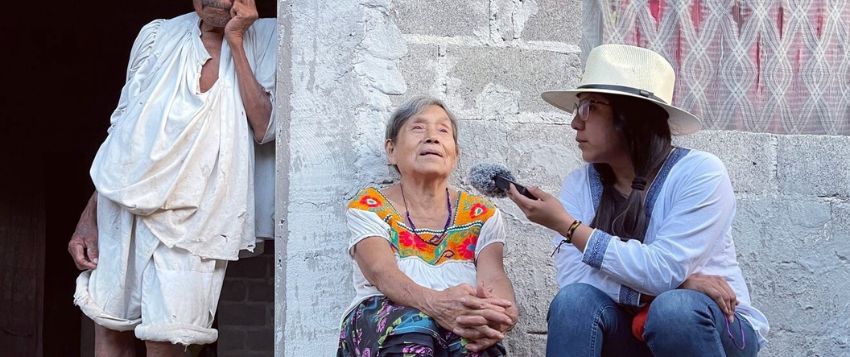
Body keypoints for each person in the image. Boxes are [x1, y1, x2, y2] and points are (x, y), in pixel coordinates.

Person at [505, 44, 769, 356]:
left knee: (675, 310)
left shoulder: (701, 174)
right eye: (578, 109)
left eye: (590, 107)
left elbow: (662, 271)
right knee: (574, 301)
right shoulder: (579, 184)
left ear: (631, 117)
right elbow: (575, 278)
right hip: (629, 328)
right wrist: (676, 286)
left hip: (712, 327)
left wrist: (569, 226)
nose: (576, 122)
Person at [67, 1, 277, 355]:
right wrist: (89, 217)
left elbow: (264, 126)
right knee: (111, 328)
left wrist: (237, 41)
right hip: (123, 207)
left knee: (168, 339)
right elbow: (121, 131)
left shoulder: (267, 37)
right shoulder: (156, 35)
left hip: (200, 215)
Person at [338, 96, 518, 356]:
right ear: (391, 150)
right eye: (418, 128)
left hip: (459, 318)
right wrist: (437, 305)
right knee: (414, 327)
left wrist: (502, 311)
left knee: (476, 343)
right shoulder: (369, 206)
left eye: (443, 130)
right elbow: (381, 272)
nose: (432, 137)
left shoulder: (482, 214)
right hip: (387, 321)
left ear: (456, 154)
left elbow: (493, 276)